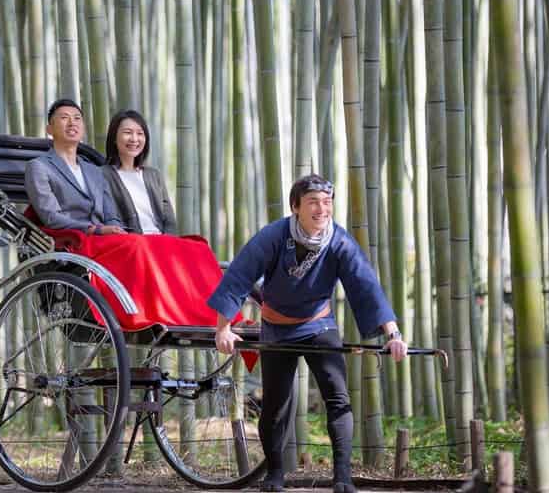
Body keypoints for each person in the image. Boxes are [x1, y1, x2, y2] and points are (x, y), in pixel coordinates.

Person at [207, 174, 408, 493]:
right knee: (275, 405)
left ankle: (342, 476)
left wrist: (393, 334)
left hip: (319, 325)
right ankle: (275, 474)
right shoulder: (274, 235)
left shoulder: (338, 240)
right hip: (277, 327)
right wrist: (223, 328)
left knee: (338, 397)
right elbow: (240, 275)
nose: (321, 209)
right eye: (313, 202)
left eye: (327, 202)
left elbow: (365, 284)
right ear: (295, 206)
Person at [25, 99, 127, 235]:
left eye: (77, 118)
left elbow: (111, 216)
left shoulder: (95, 171)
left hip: (106, 238)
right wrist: (95, 230)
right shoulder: (39, 167)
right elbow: (51, 217)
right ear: (49, 129)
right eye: (64, 117)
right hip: (73, 239)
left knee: (152, 242)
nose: (72, 123)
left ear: (83, 129)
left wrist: (117, 230)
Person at [101, 110, 178, 235]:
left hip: (161, 240)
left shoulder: (154, 175)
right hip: (130, 240)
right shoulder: (102, 175)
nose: (134, 139)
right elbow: (107, 217)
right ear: (114, 137)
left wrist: (169, 240)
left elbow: (169, 220)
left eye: (140, 133)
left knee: (201, 245)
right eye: (127, 132)